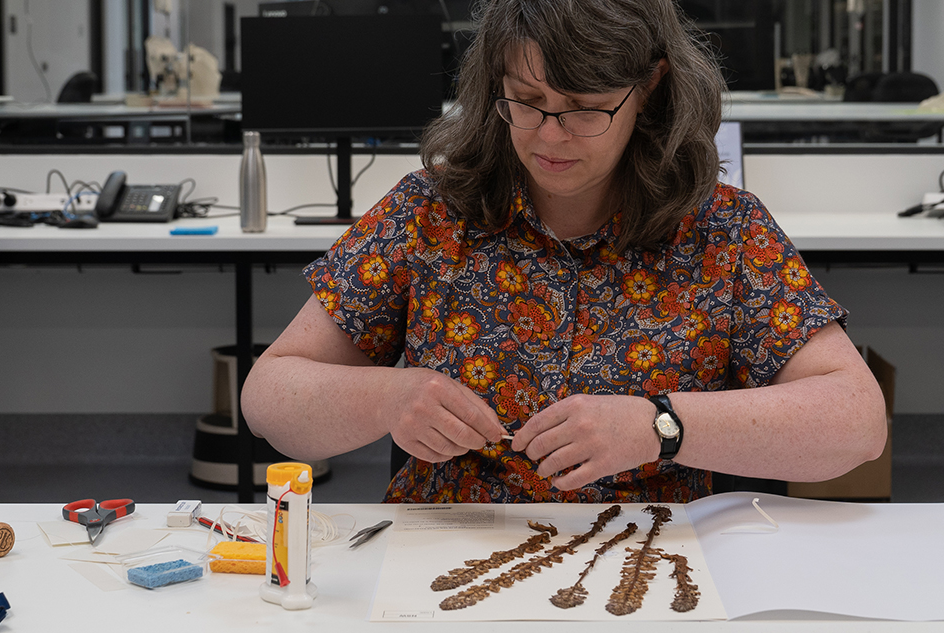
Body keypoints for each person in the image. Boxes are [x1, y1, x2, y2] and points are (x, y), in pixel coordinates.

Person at [241, 0, 887, 503]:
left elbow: (856, 423)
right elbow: (270, 397)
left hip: (650, 559)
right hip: (447, 552)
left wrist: (659, 426)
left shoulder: (724, 229)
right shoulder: (430, 212)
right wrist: (384, 399)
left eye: (584, 109)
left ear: (651, 87)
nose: (549, 135)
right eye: (526, 101)